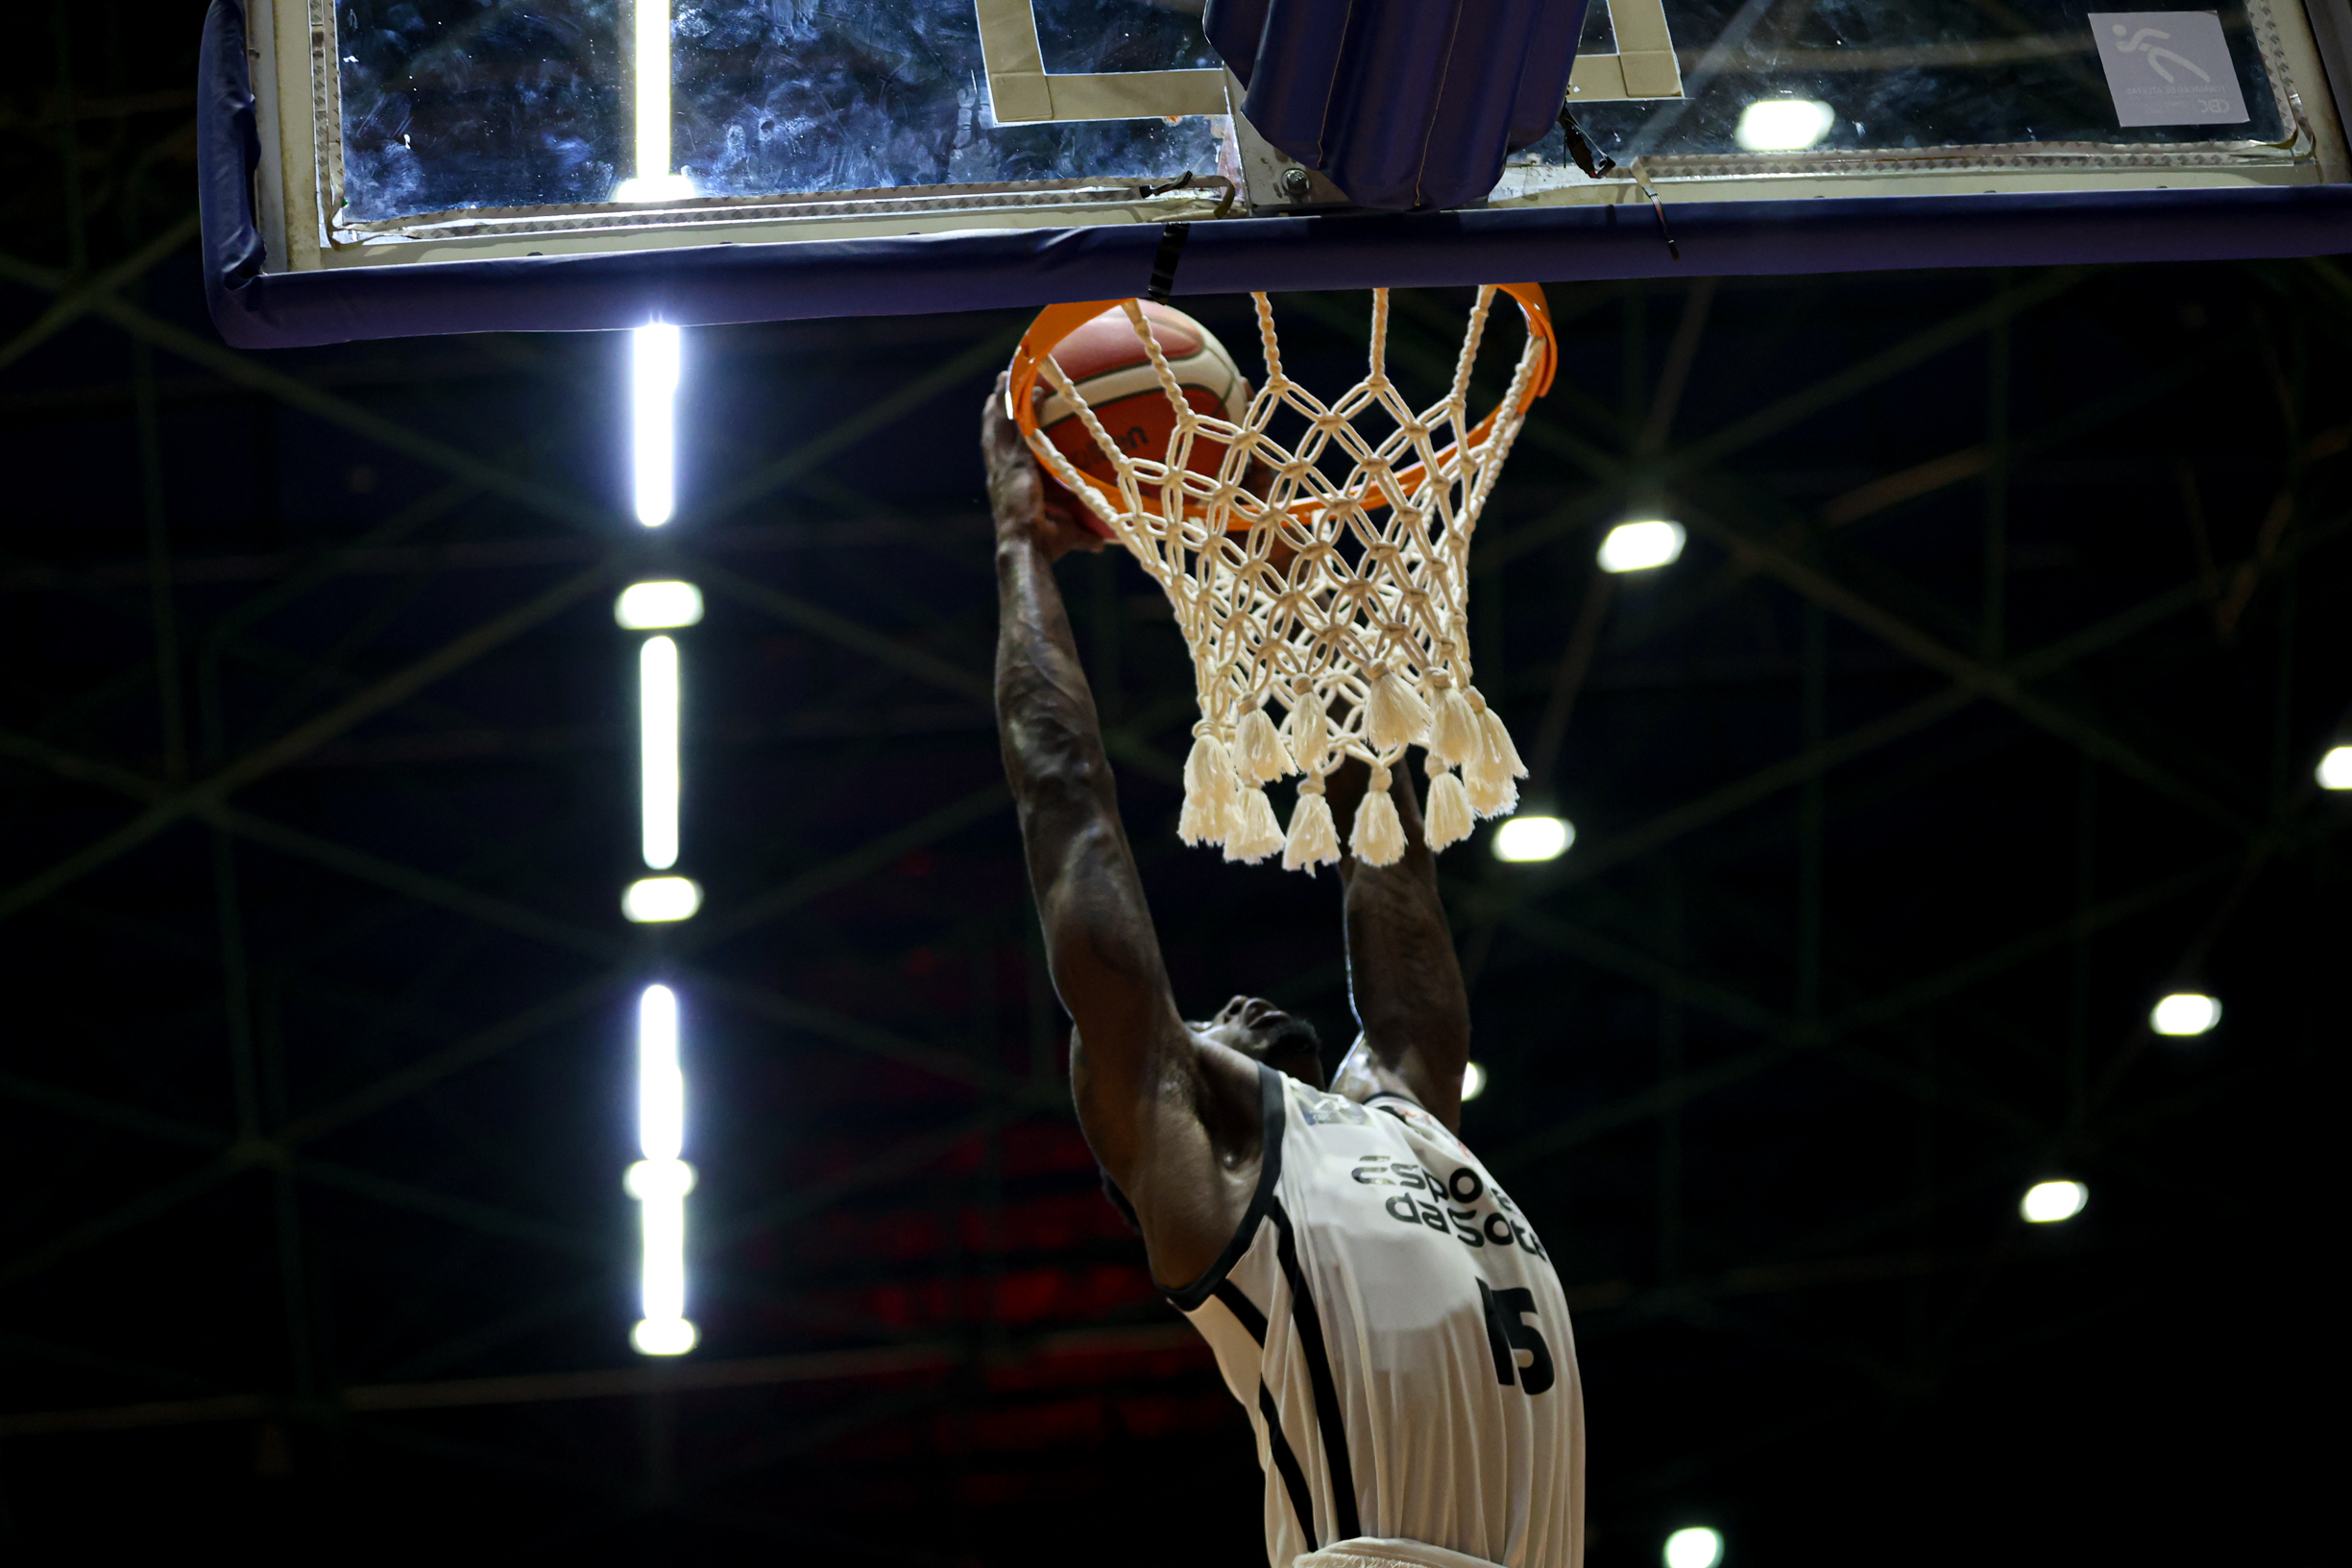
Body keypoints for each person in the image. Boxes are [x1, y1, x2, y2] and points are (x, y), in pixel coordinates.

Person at [983, 376, 1585, 1568]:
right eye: (1204, 1018)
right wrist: (1017, 546)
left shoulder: (1404, 1121)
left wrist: (1310, 585)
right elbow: (1067, 804)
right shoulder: (1218, 1190)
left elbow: (1387, 864)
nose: (1239, 1004)